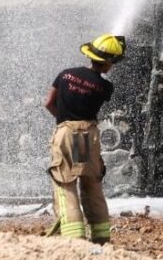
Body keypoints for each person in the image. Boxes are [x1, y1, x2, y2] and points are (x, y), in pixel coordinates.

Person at [43, 33, 124, 244]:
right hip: (87, 136)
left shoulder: (65, 74)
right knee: (91, 185)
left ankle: (74, 241)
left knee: (65, 186)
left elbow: (48, 103)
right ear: (107, 64)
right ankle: (101, 239)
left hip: (65, 131)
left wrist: (63, 121)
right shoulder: (106, 88)